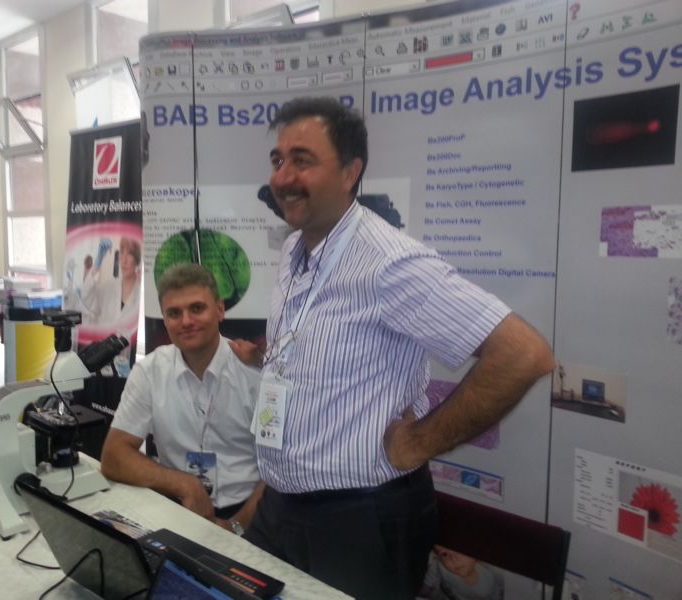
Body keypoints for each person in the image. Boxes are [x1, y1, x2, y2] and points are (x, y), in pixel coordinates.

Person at [230, 96, 555, 599]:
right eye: (278, 160)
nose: (283, 177)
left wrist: (420, 442)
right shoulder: (295, 248)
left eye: (302, 160)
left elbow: (524, 355)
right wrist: (268, 357)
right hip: (282, 505)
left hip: (359, 520)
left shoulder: (388, 263)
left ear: (350, 172)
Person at [100, 263, 264, 534]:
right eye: (174, 313)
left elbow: (279, 473)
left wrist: (235, 526)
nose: (186, 321)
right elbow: (114, 456)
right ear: (164, 319)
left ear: (220, 309)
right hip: (178, 508)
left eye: (197, 308)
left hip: (250, 517)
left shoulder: (255, 374)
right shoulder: (150, 371)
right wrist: (184, 484)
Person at [419, 545, 504, 600]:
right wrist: (423, 592)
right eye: (444, 554)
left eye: (459, 550)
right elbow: (429, 580)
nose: (453, 559)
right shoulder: (440, 564)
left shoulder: (487, 585)